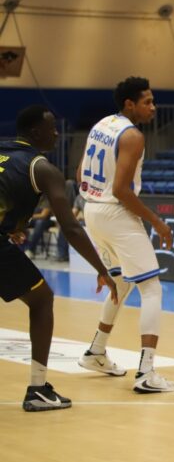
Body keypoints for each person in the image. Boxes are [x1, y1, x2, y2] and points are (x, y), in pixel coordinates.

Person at [0, 105, 117, 412]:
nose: (56, 133)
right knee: (41, 301)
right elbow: (71, 229)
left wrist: (9, 224)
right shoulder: (43, 169)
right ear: (36, 132)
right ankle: (38, 388)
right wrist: (101, 268)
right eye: (52, 128)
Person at [77, 76, 174, 393]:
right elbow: (121, 190)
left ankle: (96, 351)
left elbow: (80, 174)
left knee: (120, 284)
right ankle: (146, 372)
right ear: (129, 104)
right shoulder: (132, 135)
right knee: (151, 288)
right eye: (147, 101)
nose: (153, 107)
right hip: (113, 211)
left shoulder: (101, 125)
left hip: (91, 208)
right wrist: (156, 222)